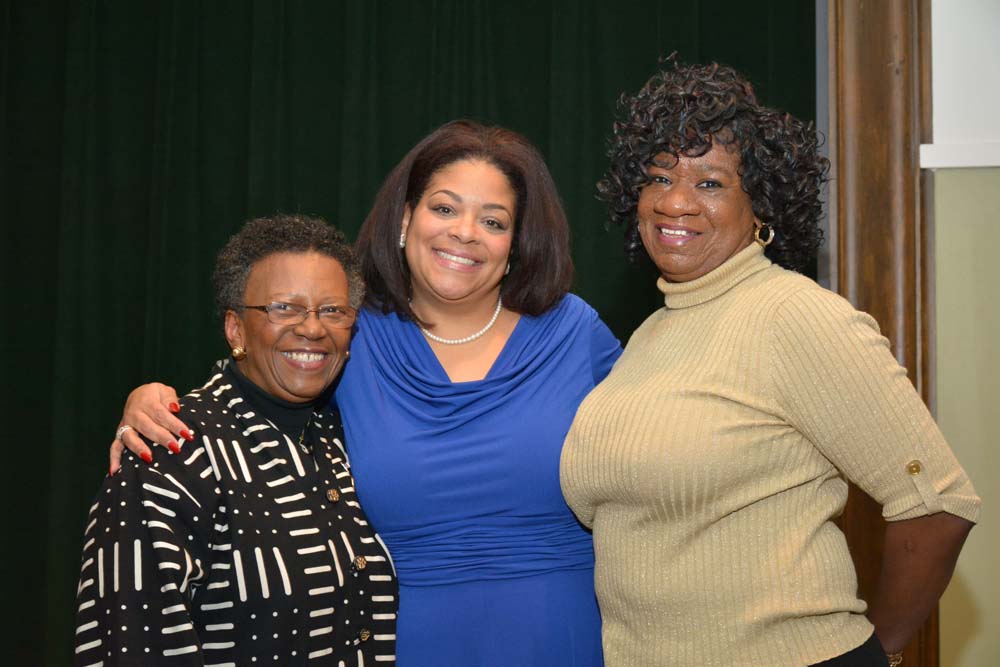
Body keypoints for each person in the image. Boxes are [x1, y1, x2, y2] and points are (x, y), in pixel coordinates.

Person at [108, 121, 622, 666]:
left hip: (564, 639)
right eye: (444, 209)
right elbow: (249, 399)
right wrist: (154, 400)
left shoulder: (574, 332)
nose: (465, 232)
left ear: (515, 243)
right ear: (406, 219)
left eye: (492, 221)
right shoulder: (350, 334)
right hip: (402, 645)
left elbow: (663, 433)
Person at [560, 61, 981, 667]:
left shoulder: (797, 316)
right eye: (657, 179)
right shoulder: (652, 333)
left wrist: (878, 653)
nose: (675, 201)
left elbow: (938, 504)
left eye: (710, 183)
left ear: (761, 204)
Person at [75, 215, 398, 666]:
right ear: (235, 329)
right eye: (283, 307)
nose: (312, 328)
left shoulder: (344, 439)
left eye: (333, 310)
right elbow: (130, 647)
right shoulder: (171, 451)